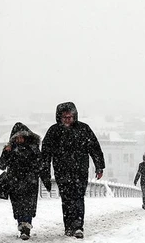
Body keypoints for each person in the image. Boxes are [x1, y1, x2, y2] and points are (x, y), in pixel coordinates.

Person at [40, 102, 105, 239]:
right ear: (60, 117)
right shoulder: (53, 132)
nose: (68, 120)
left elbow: (94, 148)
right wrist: (45, 172)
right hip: (62, 171)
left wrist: (99, 166)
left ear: (74, 116)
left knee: (78, 197)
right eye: (65, 117)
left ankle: (78, 226)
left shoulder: (83, 129)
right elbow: (45, 154)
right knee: (66, 199)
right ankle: (68, 226)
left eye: (70, 117)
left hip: (80, 170)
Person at [0, 122, 51, 240]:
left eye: (22, 137)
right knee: (17, 206)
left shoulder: (33, 149)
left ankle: (26, 227)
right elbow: (2, 164)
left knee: (28, 205)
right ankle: (21, 225)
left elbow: (40, 165)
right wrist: (6, 152)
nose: (20, 139)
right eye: (17, 137)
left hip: (30, 182)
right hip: (15, 182)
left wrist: (45, 179)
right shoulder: (10, 149)